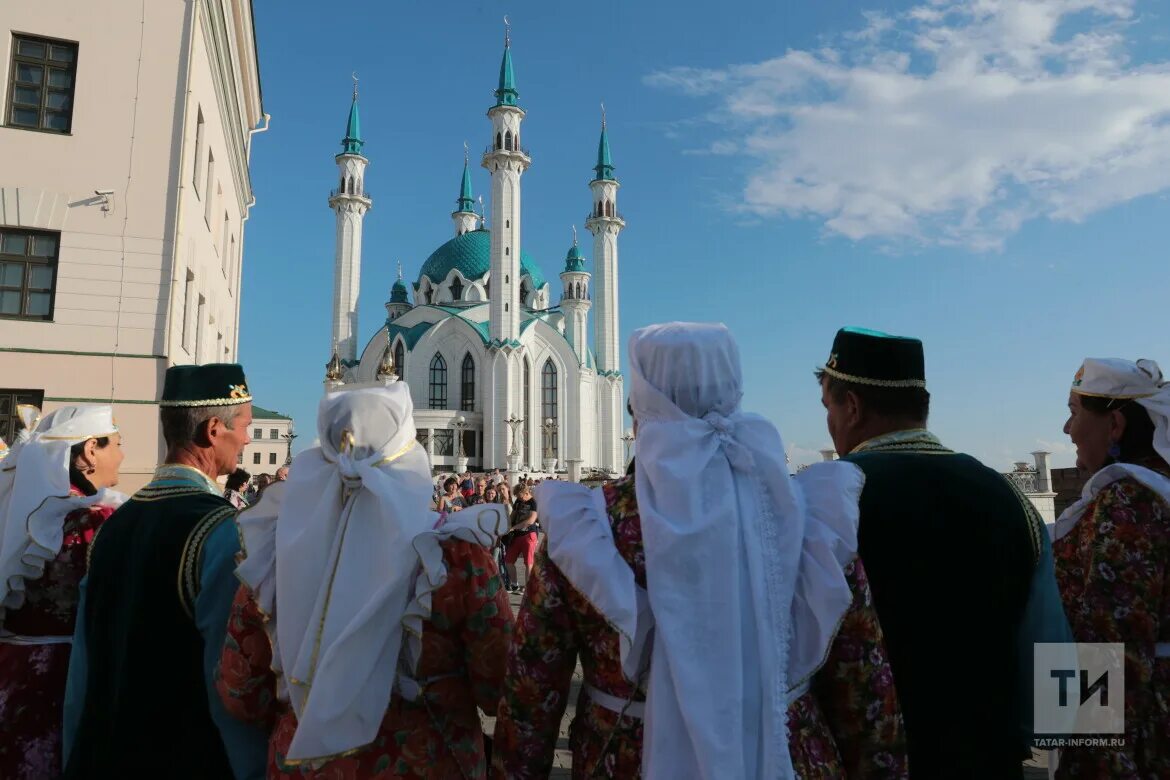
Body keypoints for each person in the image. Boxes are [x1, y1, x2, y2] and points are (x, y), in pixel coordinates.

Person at [494, 322, 908, 779]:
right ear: (733, 395)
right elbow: (865, 689)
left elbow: (532, 690)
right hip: (788, 755)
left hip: (628, 756)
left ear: (640, 409)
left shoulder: (590, 527)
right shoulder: (807, 518)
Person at [216, 384, 514, 778]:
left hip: (304, 762)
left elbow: (241, 693)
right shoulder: (455, 559)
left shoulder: (274, 554)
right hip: (430, 758)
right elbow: (501, 683)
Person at [815, 327, 1071, 779]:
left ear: (851, 406)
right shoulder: (1012, 500)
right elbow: (1056, 664)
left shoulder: (820, 503)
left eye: (828, 408)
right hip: (991, 763)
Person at [63, 364, 268, 779]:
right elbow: (226, 681)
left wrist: (74, 754)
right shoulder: (223, 530)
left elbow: (82, 666)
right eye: (245, 425)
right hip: (185, 757)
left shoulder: (114, 524)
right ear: (214, 430)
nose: (248, 438)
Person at [1050, 358, 1170, 778]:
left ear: (1114, 426)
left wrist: (1087, 757)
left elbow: (1104, 641)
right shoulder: (1157, 493)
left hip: (1138, 736)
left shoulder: (1128, 502)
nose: (1068, 429)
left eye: (1074, 412)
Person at [0, 404, 124, 778]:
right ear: (90, 450)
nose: (122, 455)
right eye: (116, 444)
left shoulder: (17, 511)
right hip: (67, 676)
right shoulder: (92, 519)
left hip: (10, 668)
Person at [503, 485, 539, 594]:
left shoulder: (533, 502)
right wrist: (507, 525)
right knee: (509, 560)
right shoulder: (518, 501)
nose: (519, 498)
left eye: (520, 496)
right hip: (516, 535)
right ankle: (514, 584)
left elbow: (531, 520)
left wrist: (513, 527)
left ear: (526, 493)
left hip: (528, 534)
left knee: (528, 562)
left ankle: (528, 588)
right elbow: (513, 515)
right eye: (517, 496)